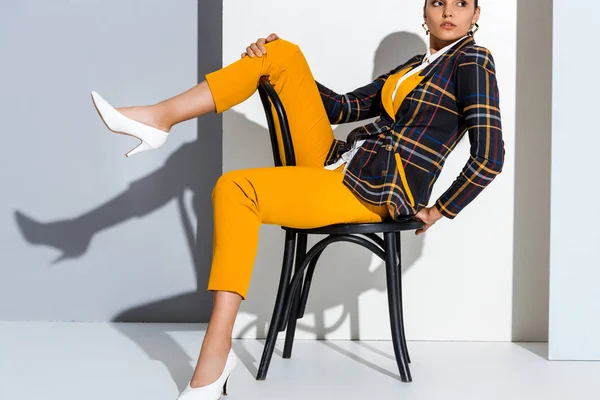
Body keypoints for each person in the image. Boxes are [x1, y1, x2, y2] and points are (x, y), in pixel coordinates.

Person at [90, 0, 504, 398]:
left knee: (235, 188)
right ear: (424, 11)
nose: (448, 12)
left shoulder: (472, 61)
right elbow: (342, 108)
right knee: (280, 52)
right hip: (340, 163)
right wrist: (270, 67)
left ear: (476, 14)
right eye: (438, 2)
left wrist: (439, 209)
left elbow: (490, 156)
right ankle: (161, 117)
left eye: (461, 3)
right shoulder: (413, 68)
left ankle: (214, 358)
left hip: (375, 190)